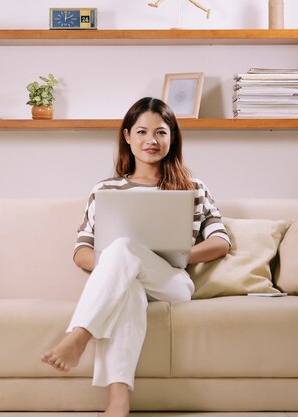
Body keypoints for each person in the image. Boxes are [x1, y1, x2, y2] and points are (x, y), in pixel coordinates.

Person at [41, 97, 231, 417]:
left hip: (172, 280)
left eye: (160, 133)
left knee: (123, 249)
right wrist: (122, 264)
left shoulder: (193, 187)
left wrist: (178, 256)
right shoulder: (106, 189)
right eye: (142, 132)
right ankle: (118, 401)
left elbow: (220, 241)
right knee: (126, 279)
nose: (151, 141)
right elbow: (82, 252)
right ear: (127, 137)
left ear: (172, 138)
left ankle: (79, 336)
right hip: (125, 284)